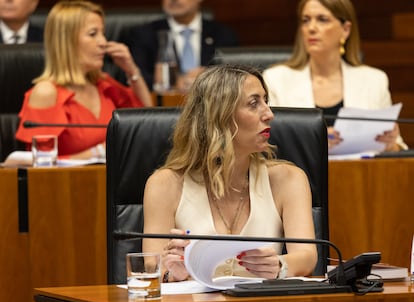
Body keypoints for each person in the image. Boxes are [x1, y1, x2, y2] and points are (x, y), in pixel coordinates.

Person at [143, 64, 317, 282]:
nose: (269, 114)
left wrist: (280, 265)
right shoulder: (165, 184)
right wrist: (170, 271)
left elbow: (307, 256)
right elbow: (151, 264)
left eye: (266, 101)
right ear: (219, 115)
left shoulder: (288, 179)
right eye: (254, 104)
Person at [15, 0, 153, 159]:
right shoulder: (46, 92)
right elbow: (41, 163)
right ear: (67, 41)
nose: (103, 42)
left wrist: (131, 70)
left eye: (103, 33)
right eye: (93, 34)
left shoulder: (103, 84)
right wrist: (99, 152)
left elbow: (146, 120)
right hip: (67, 182)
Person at [263, 0, 406, 152]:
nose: (311, 28)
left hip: (361, 173)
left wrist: (390, 145)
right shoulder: (276, 80)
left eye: (322, 19)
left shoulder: (374, 80)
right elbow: (266, 147)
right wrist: (315, 142)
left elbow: (398, 148)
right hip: (301, 174)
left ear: (345, 29)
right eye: (306, 20)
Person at [124, 0, 239, 92]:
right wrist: (172, 82)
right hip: (164, 107)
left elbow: (234, 76)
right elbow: (135, 76)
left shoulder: (223, 35)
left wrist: (207, 77)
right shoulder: (143, 34)